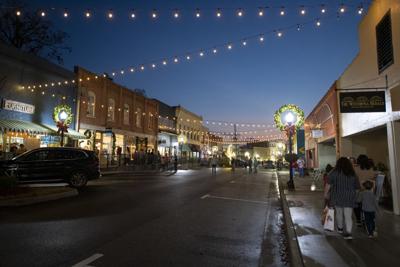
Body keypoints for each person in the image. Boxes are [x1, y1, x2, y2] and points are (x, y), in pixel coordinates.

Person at [325, 157, 360, 240]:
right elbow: (357, 188)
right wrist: (355, 196)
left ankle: (340, 229)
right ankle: (349, 233)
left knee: (339, 213)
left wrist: (325, 194)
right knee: (348, 215)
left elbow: (328, 184)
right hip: (349, 196)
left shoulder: (333, 172)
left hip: (337, 196)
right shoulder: (352, 173)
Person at [353, 154, 377, 226]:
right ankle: (366, 219)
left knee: (356, 205)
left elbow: (353, 179)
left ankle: (358, 220)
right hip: (369, 191)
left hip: (359, 190)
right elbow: (373, 178)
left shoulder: (356, 169)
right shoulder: (371, 168)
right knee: (367, 205)